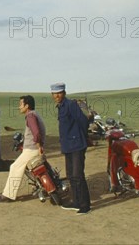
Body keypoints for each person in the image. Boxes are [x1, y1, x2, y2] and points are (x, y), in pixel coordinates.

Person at [0, 95, 46, 202]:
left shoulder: (30, 116)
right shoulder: (34, 114)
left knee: (14, 167)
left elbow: (36, 133)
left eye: (21, 104)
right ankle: (7, 192)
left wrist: (39, 146)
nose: (19, 107)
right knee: (16, 167)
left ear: (27, 106)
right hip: (32, 148)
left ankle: (8, 195)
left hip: (32, 150)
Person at [51, 82, 91, 215]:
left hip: (77, 145)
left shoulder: (71, 105)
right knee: (71, 176)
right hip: (67, 146)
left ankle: (85, 206)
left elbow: (84, 121)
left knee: (78, 175)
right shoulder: (60, 107)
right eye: (54, 93)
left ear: (64, 93)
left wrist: (82, 138)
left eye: (59, 93)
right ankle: (76, 201)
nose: (57, 96)